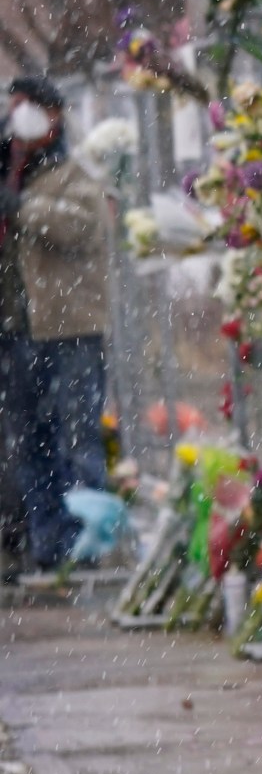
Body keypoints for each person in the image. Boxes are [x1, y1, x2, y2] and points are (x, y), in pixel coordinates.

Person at [0, 76, 113, 574]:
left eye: (27, 106)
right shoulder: (10, 170)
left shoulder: (74, 169)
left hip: (69, 327)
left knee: (77, 437)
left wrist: (24, 207)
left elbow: (81, 225)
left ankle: (90, 544)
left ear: (53, 115)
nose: (17, 115)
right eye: (13, 106)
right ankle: (47, 546)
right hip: (17, 330)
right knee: (30, 441)